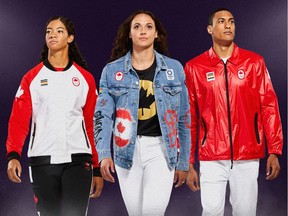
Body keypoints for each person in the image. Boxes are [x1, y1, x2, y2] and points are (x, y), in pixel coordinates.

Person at [184, 8, 283, 216]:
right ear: (210, 29)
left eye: (231, 21)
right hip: (210, 155)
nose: (228, 25)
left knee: (245, 212)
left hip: (247, 154)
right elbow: (188, 117)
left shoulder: (254, 62)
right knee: (211, 212)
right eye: (221, 21)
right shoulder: (195, 67)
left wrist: (274, 150)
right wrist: (187, 162)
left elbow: (269, 106)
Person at [94, 10, 191, 216]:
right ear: (129, 34)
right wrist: (103, 154)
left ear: (156, 33)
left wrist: (184, 162)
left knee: (152, 211)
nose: (143, 31)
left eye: (148, 27)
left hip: (161, 149)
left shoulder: (174, 69)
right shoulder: (112, 71)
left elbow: (183, 118)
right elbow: (102, 115)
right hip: (125, 151)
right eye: (136, 27)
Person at [6, 16, 103, 216]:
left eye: (59, 31)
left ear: (70, 38)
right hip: (42, 160)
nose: (52, 35)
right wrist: (13, 154)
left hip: (78, 160)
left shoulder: (85, 79)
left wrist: (96, 167)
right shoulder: (31, 78)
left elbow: (92, 125)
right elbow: (18, 120)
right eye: (49, 31)